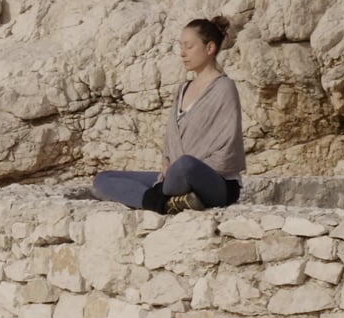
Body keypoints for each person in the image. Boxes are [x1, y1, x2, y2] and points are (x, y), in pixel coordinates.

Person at [94, 17, 245, 213]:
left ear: (210, 48)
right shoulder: (184, 88)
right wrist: (167, 163)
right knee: (103, 180)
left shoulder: (224, 88)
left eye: (189, 46)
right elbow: (171, 141)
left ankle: (156, 196)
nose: (182, 54)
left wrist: (177, 168)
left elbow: (228, 147)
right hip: (174, 178)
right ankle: (165, 202)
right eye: (181, 46)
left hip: (214, 182)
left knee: (185, 165)